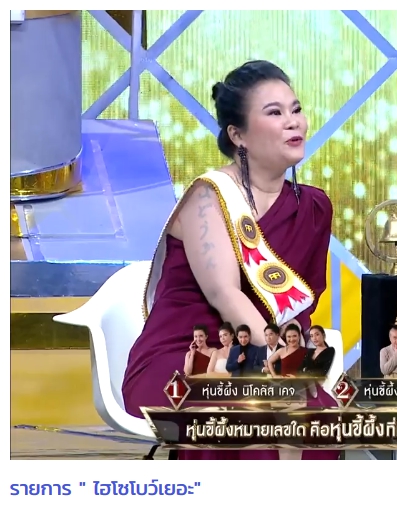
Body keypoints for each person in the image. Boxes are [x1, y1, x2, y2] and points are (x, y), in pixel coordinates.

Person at [121, 60, 337, 461]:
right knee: (245, 406)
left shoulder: (314, 207)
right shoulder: (210, 197)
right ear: (238, 135)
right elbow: (226, 296)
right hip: (186, 357)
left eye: (296, 109)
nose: (293, 122)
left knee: (319, 417)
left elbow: (299, 308)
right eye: (275, 113)